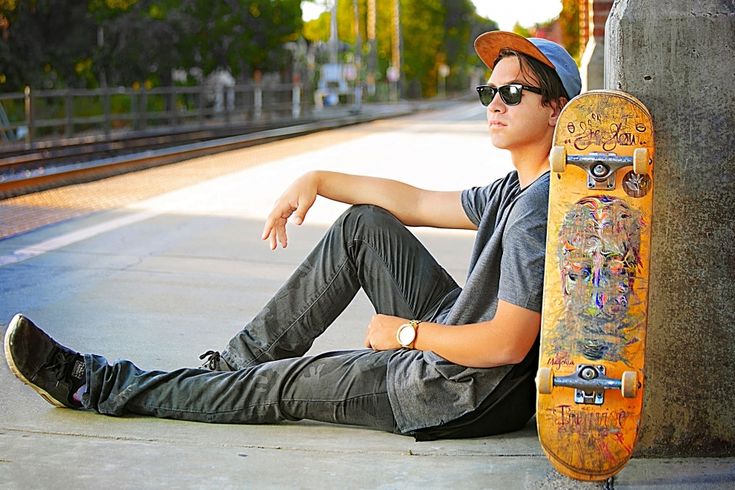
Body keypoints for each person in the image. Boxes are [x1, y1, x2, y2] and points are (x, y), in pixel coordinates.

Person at [4, 31, 582, 440]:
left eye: (512, 93)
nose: (494, 105)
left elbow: (507, 344)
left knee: (277, 389)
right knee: (364, 225)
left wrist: (406, 334)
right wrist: (319, 178)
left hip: (457, 391)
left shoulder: (536, 209)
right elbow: (412, 202)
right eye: (489, 93)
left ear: (557, 110)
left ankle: (95, 385)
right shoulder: (515, 189)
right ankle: (232, 361)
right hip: (467, 347)